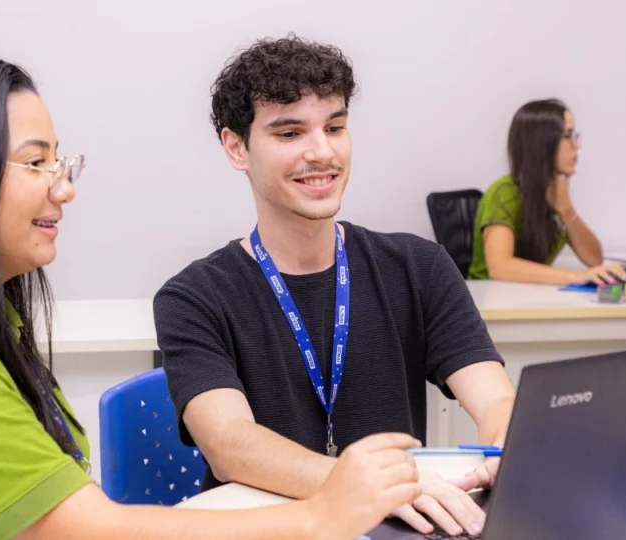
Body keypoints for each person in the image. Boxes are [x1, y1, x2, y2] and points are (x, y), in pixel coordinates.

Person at [0, 60, 422, 540]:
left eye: (60, 162)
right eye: (36, 164)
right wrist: (320, 516)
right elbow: (83, 531)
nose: (63, 189)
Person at [154, 35, 516, 538]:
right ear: (237, 148)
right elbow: (230, 443)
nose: (322, 152)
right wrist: (368, 486)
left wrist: (506, 446)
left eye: (335, 127)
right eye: (289, 133)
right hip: (272, 528)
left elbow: (495, 400)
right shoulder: (193, 298)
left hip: (397, 525)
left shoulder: (419, 267)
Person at [468, 99, 626, 285]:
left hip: (527, 294)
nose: (577, 146)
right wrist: (575, 277)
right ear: (542, 144)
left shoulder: (554, 193)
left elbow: (594, 259)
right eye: (567, 136)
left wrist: (566, 210)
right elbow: (500, 267)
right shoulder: (503, 193)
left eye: (575, 136)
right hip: (488, 297)